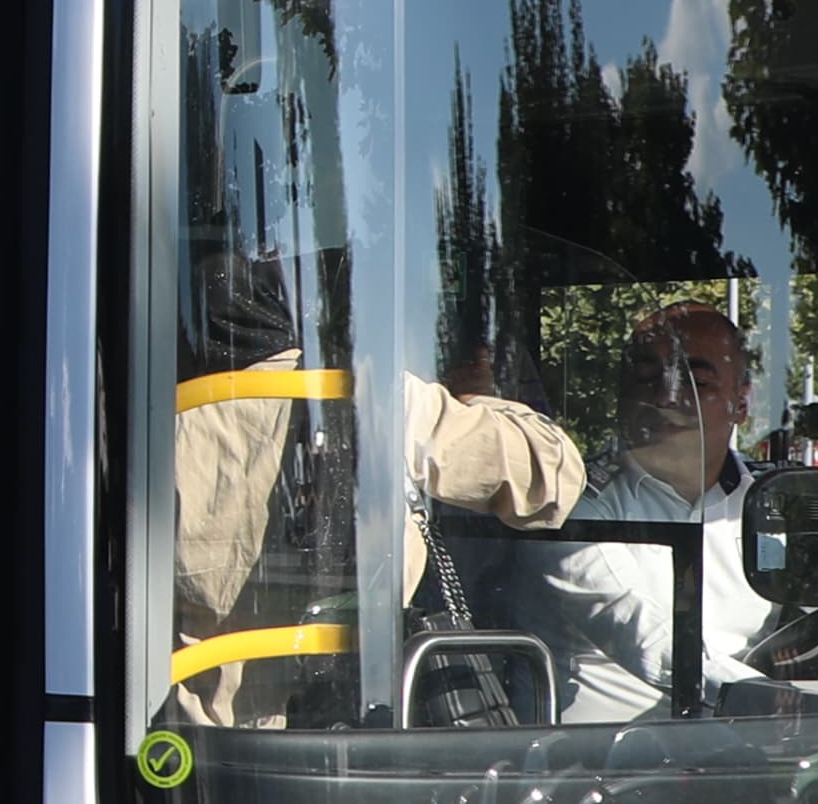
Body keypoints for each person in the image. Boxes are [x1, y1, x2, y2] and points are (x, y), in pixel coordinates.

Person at [164, 253, 585, 727]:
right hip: (354, 727)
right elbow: (551, 480)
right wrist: (472, 398)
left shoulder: (147, 419)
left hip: (191, 741)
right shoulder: (361, 393)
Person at [534, 299, 779, 719]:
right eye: (647, 378)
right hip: (596, 768)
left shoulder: (778, 510)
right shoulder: (571, 504)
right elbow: (647, 638)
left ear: (741, 404)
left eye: (696, 382)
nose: (665, 397)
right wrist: (771, 700)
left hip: (756, 756)